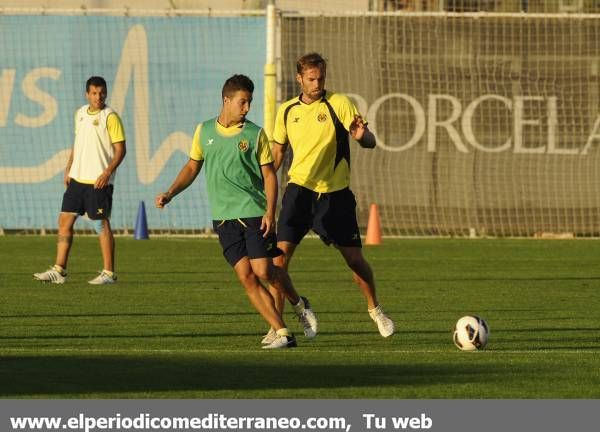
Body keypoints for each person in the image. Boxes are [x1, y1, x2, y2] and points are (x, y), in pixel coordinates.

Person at [154, 74, 317, 349]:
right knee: (246, 277)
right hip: (223, 218)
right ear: (226, 100)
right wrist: (170, 192)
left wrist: (269, 211)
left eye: (250, 102)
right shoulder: (204, 131)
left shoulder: (254, 134)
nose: (247, 108)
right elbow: (192, 167)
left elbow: (269, 176)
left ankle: (299, 304)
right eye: (243, 102)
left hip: (253, 212)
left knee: (264, 270)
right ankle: (283, 332)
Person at [266, 52, 395, 340]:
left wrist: (363, 137)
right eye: (311, 79)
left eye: (321, 77)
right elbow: (277, 154)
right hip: (298, 191)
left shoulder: (339, 103)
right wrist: (263, 181)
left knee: (355, 261)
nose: (317, 83)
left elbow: (368, 141)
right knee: (278, 262)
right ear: (299, 78)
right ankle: (279, 326)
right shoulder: (287, 110)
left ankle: (375, 310)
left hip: (334, 196)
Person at [34, 76, 126, 285]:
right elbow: (78, 143)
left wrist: (107, 173)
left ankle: (109, 273)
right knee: (64, 221)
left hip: (98, 182)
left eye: (102, 92)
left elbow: (121, 150)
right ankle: (59, 269)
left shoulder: (110, 117)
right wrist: (69, 168)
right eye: (94, 93)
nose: (98, 97)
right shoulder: (80, 114)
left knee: (100, 224)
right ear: (87, 94)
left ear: (106, 93)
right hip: (77, 180)